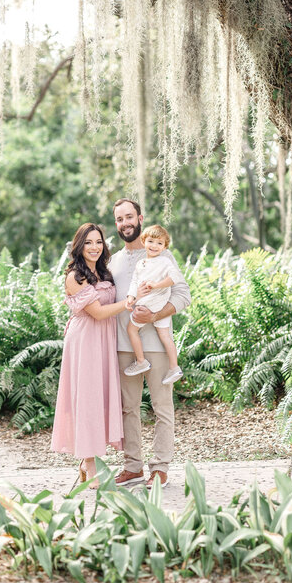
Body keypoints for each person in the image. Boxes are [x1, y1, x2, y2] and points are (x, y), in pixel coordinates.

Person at [110, 199, 191, 489]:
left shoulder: (163, 256)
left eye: (129, 216)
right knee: (128, 408)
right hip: (123, 344)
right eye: (119, 219)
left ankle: (160, 467)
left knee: (162, 406)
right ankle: (132, 466)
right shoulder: (114, 261)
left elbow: (183, 296)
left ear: (140, 219)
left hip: (156, 343)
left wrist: (156, 314)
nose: (125, 223)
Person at [51, 223, 129, 489]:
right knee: (86, 399)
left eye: (99, 242)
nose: (95, 247)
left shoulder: (103, 271)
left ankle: (89, 463)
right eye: (89, 243)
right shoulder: (75, 276)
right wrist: (130, 302)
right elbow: (96, 312)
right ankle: (90, 464)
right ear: (79, 246)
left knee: (101, 397)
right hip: (85, 340)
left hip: (104, 339)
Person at [125, 224, 183, 385]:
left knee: (131, 329)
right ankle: (174, 367)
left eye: (159, 243)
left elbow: (174, 278)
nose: (155, 246)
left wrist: (156, 285)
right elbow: (135, 282)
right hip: (161, 306)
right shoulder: (141, 263)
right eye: (151, 241)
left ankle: (141, 360)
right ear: (143, 242)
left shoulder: (165, 261)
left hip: (151, 305)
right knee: (165, 336)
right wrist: (131, 297)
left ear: (165, 247)